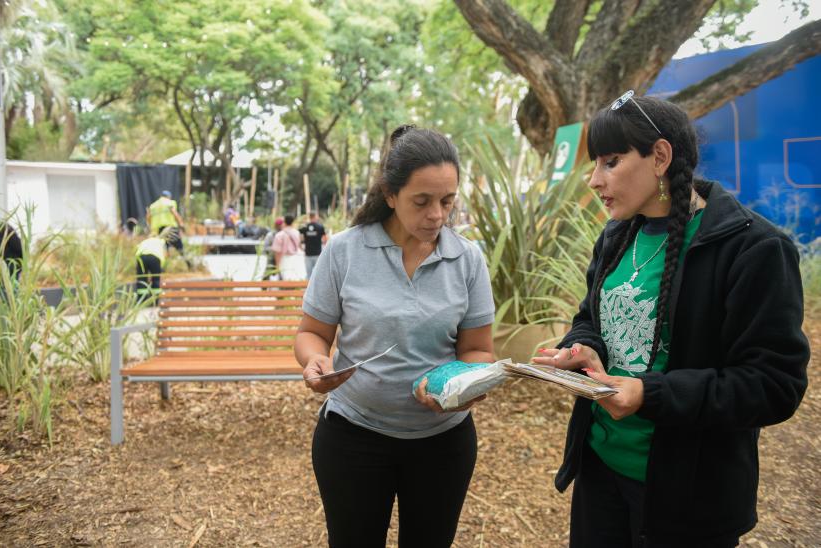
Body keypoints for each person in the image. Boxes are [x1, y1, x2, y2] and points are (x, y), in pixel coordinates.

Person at [532, 91, 809, 547]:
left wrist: (650, 393)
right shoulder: (618, 234)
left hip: (688, 497)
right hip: (600, 470)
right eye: (594, 164)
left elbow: (774, 385)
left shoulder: (752, 248)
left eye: (610, 162)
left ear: (660, 156)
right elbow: (591, 317)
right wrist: (583, 349)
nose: (593, 180)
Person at [294, 125, 495, 547]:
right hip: (352, 437)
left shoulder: (468, 259)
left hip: (443, 443)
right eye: (421, 201)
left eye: (447, 201)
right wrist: (316, 363)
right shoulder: (344, 251)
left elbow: (477, 349)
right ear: (389, 194)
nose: (437, 215)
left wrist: (463, 386)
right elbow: (312, 334)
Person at [146, 190, 185, 256]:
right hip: (170, 229)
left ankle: (166, 264)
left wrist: (150, 227)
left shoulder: (153, 205)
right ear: (168, 197)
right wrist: (181, 224)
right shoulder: (169, 203)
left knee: (164, 248)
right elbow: (175, 213)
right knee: (179, 247)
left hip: (159, 230)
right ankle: (188, 262)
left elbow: (148, 217)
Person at [134, 231, 169, 303]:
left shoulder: (144, 241)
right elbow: (165, 254)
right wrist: (162, 267)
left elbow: (137, 249)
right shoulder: (161, 241)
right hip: (155, 258)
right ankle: (155, 300)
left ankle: (141, 300)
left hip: (141, 257)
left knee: (141, 279)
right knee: (156, 279)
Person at [271, 214, 303, 280]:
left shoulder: (279, 235)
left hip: (284, 259)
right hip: (296, 258)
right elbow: (299, 246)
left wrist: (277, 265)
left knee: (285, 279)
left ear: (284, 222)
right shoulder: (297, 233)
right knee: (295, 279)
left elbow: (277, 252)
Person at [299, 211, 327, 279]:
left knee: (308, 274)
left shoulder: (305, 227)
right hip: (318, 253)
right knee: (318, 273)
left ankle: (308, 288)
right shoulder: (320, 226)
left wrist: (300, 246)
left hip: (308, 253)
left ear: (309, 217)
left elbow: (299, 237)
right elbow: (325, 239)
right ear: (315, 216)